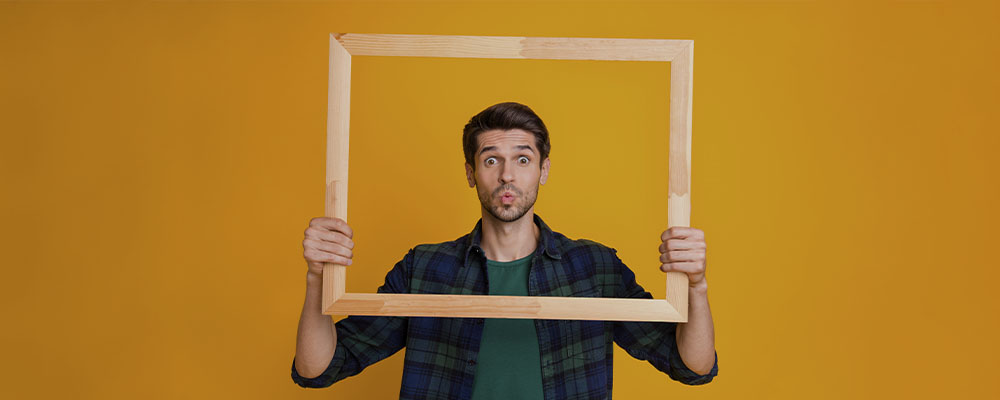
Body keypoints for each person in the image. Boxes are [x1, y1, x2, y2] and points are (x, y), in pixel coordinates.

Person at [291, 102, 718, 399]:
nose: (507, 176)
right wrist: (317, 277)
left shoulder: (594, 268)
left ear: (544, 170)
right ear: (471, 173)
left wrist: (695, 285)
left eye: (523, 159)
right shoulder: (425, 268)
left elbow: (691, 364)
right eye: (491, 160)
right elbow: (320, 367)